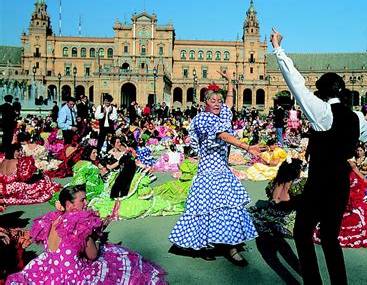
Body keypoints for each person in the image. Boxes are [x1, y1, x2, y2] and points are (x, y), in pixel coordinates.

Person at [271, 27, 367, 284]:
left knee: (302, 233)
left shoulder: (322, 112)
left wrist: (278, 49)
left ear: (323, 92)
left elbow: (295, 84)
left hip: (320, 185)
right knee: (330, 238)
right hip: (341, 185)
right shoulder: (356, 116)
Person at [169, 70, 261, 266]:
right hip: (209, 172)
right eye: (213, 100)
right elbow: (222, 135)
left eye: (218, 100)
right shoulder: (203, 119)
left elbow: (228, 102)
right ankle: (202, 245)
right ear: (205, 103)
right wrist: (247, 147)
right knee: (205, 209)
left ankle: (231, 246)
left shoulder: (221, 115)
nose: (217, 103)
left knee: (229, 207)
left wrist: (229, 81)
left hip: (223, 171)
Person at [7, 185, 168, 284]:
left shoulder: (52, 219)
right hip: (73, 277)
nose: (86, 203)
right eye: (82, 200)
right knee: (121, 259)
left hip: (51, 271)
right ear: (69, 204)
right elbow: (92, 255)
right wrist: (97, 238)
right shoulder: (80, 223)